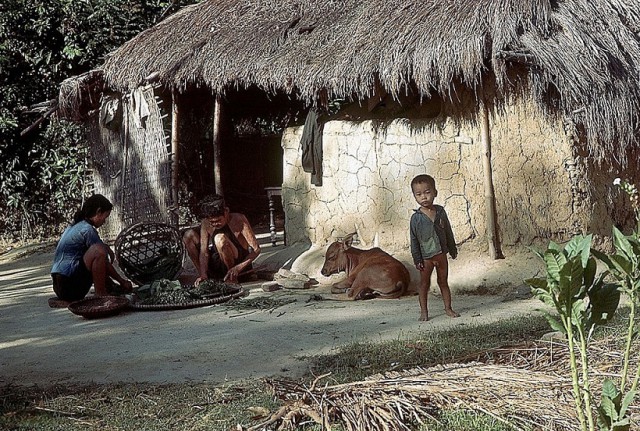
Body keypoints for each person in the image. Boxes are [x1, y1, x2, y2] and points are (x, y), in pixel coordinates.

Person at [51, 194, 133, 301]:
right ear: (98, 212)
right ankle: (101, 294)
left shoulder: (74, 226)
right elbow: (102, 259)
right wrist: (122, 281)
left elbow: (95, 266)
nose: (104, 222)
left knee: (100, 250)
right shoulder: (87, 229)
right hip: (68, 287)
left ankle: (108, 288)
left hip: (59, 287)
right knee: (99, 251)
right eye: (105, 217)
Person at [409, 174, 460, 321]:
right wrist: (417, 258)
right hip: (426, 259)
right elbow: (413, 240)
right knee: (424, 284)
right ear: (414, 197)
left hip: (441, 255)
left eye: (427, 192)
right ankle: (424, 312)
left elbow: (448, 231)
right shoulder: (416, 218)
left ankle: (448, 308)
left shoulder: (440, 212)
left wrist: (452, 248)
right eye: (419, 194)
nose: (423, 197)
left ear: (435, 192)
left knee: (443, 282)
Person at [183, 194, 261, 284]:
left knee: (220, 238)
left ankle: (231, 279)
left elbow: (257, 249)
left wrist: (238, 268)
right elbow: (204, 252)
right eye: (212, 222)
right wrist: (203, 274)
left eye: (218, 220)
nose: (215, 224)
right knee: (188, 235)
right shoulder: (206, 223)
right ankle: (205, 278)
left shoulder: (239, 220)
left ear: (226, 212)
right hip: (218, 265)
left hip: (238, 268)